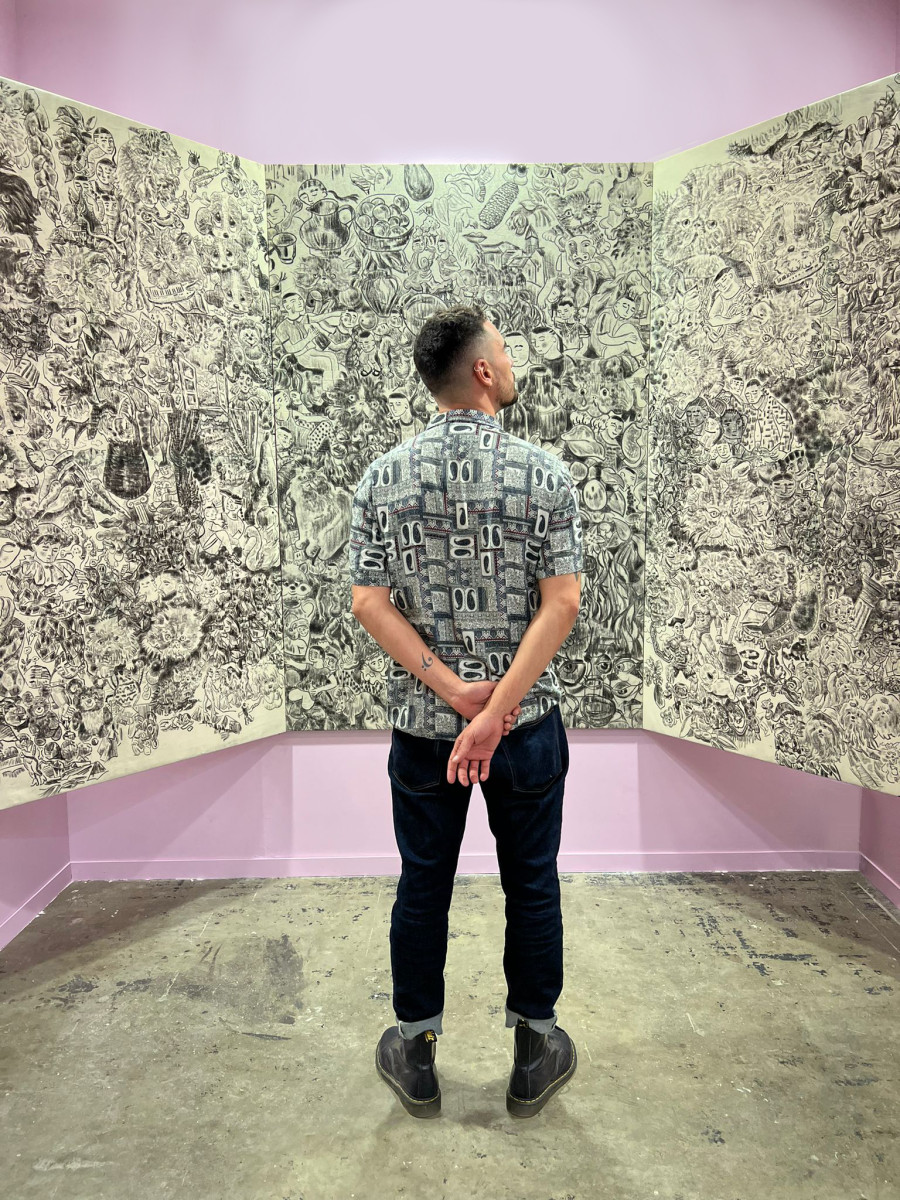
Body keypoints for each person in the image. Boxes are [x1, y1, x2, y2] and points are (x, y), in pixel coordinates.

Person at [349, 305, 583, 1120]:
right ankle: (534, 1051)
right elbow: (561, 604)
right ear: (482, 370)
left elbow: (368, 602)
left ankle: (416, 1052)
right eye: (505, 350)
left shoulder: (383, 478)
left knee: (423, 886)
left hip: (426, 732)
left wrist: (454, 696)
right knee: (532, 885)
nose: (512, 362)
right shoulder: (544, 476)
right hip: (525, 728)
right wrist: (494, 714)